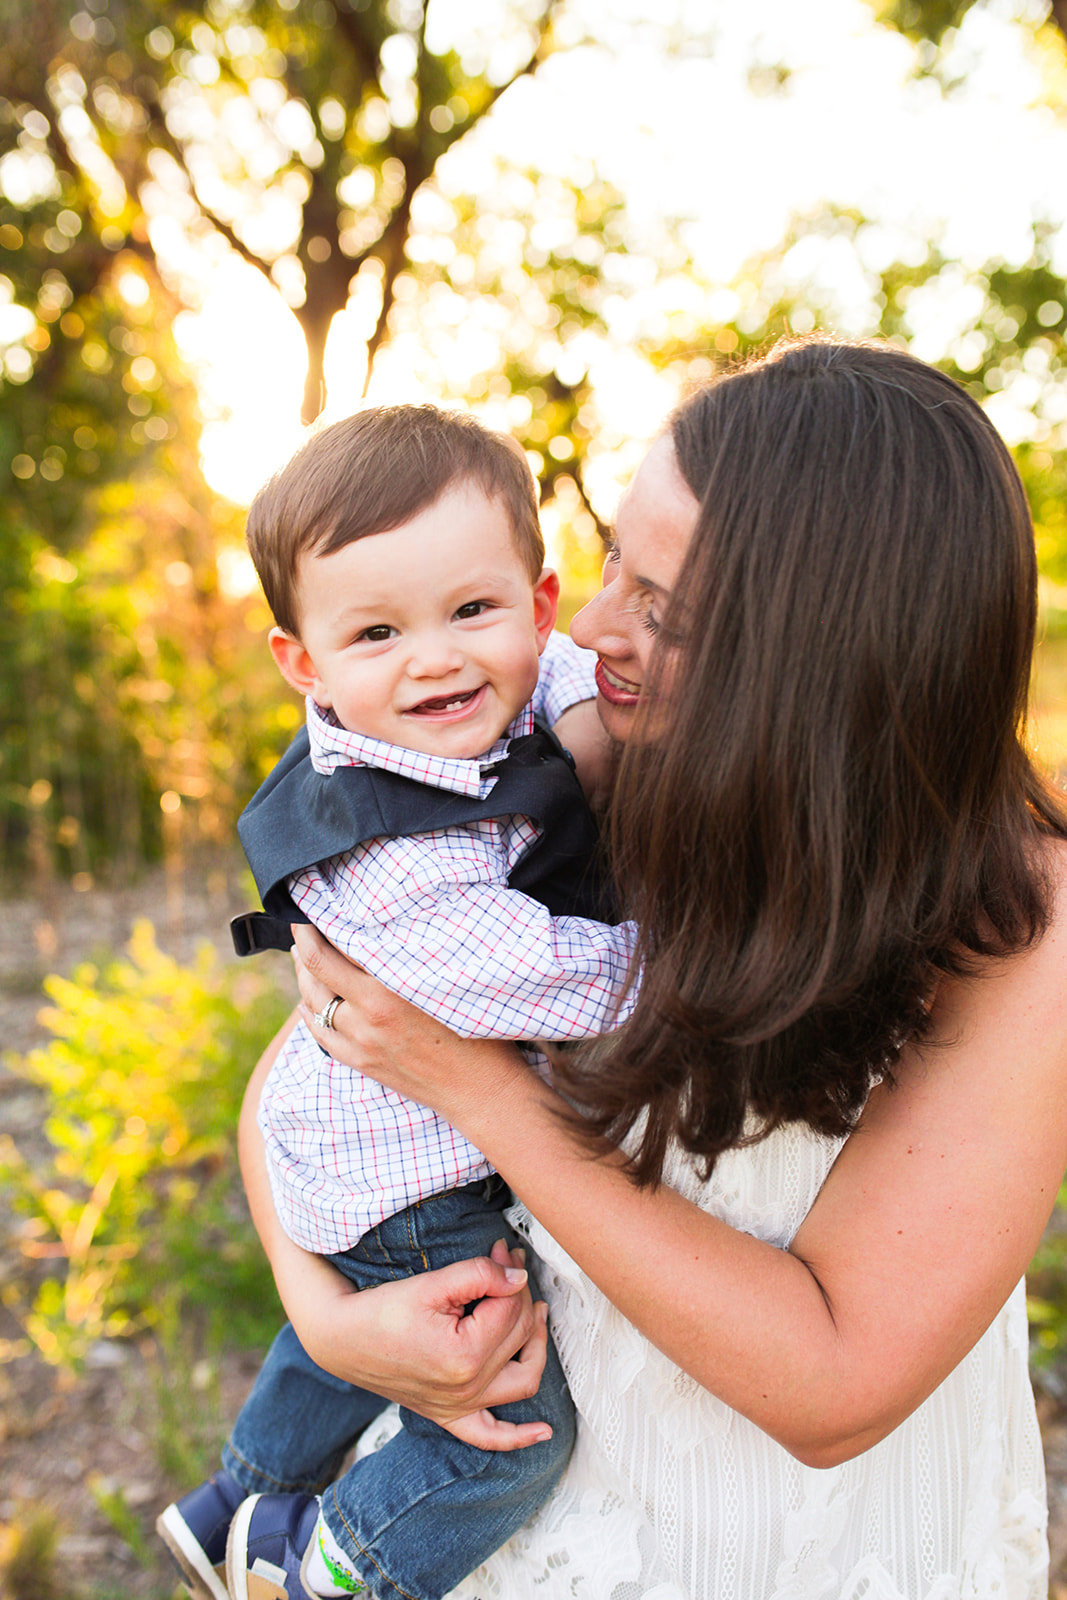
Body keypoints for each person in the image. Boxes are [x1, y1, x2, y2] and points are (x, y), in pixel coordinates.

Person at [241, 337, 1067, 1599]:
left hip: (822, 1548)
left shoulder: (1018, 917)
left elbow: (835, 1380)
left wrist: (487, 1095)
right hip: (547, 1524)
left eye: (657, 607)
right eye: (611, 560)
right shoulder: (579, 770)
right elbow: (315, 1069)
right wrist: (324, 1316)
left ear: (825, 651)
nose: (585, 626)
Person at [156, 406, 638, 1600]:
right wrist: (699, 959)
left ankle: (232, 1493)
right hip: (413, 1183)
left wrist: (580, 713)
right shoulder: (386, 853)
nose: (433, 658)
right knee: (509, 1427)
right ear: (302, 664)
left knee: (340, 1350)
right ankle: (324, 1564)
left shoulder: (463, 704)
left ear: (534, 605)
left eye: (470, 611)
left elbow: (566, 665)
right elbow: (560, 977)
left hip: (345, 1137)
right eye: (376, 630)